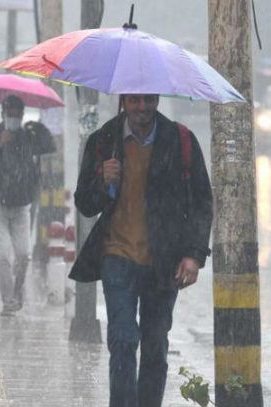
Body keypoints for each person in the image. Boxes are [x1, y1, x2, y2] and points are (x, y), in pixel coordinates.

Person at [70, 94, 213, 407]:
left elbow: (202, 201)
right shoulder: (103, 140)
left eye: (148, 100)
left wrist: (194, 254)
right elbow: (84, 203)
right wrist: (101, 180)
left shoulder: (180, 140)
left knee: (154, 346)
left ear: (158, 100)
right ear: (124, 101)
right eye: (134, 101)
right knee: (122, 340)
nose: (141, 108)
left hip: (164, 262)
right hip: (116, 257)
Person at [0, 95, 56, 317]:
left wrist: (38, 127)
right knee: (1, 256)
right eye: (10, 114)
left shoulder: (27, 138)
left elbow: (49, 146)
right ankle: (8, 301)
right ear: (3, 114)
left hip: (21, 206)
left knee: (24, 254)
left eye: (18, 114)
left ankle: (17, 292)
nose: (14, 118)